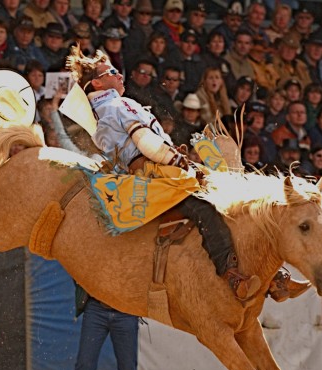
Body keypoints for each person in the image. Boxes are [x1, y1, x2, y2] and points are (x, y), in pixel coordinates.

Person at [65, 47, 308, 303]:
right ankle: (234, 276)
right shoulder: (118, 103)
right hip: (156, 173)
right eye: (112, 72)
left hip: (139, 179)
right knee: (208, 208)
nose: (119, 75)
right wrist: (175, 159)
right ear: (97, 83)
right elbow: (144, 139)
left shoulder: (99, 113)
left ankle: (272, 277)